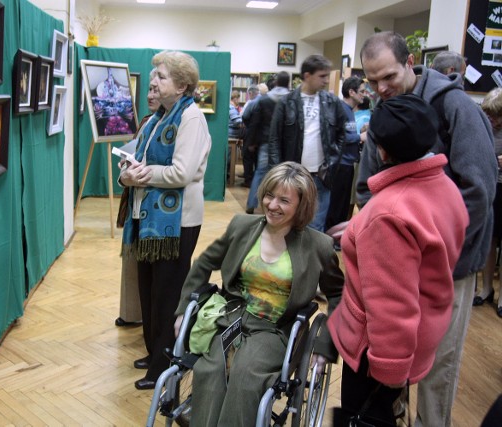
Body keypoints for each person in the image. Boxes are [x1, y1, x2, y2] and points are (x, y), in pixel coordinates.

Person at [356, 31, 496, 426]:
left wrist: (434, 251)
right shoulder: (384, 108)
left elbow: (479, 192)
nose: (381, 88)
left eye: (388, 77)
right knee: (394, 356)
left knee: (438, 366)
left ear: (410, 62)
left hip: (452, 265)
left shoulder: (457, 109)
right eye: (372, 80)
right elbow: (367, 189)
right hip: (397, 268)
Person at [329, 94, 468, 425]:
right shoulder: (443, 186)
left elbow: (392, 303)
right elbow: (424, 240)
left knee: (363, 418)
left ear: (381, 150)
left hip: (377, 351)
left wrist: (389, 369)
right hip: (423, 330)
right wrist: (364, 227)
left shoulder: (387, 213)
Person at [174, 161, 344, 426]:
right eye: (269, 195)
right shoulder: (243, 226)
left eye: (284, 200)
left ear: (302, 205)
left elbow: (339, 294)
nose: (272, 205)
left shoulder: (318, 245)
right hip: (232, 319)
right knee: (211, 370)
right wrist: (184, 309)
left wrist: (326, 347)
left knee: (245, 375)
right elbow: (204, 263)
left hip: (275, 329)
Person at [119, 50, 212, 390]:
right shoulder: (159, 116)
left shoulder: (191, 119)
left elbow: (182, 172)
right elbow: (137, 157)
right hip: (149, 216)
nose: (154, 81)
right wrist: (126, 174)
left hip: (178, 222)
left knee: (168, 295)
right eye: (155, 74)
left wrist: (141, 176)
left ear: (183, 84)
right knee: (149, 290)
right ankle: (153, 351)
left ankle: (164, 364)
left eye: (161, 75)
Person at [268, 54, 347, 232]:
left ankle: (309, 260)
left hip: (322, 175)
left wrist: (332, 162)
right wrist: (278, 173)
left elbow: (342, 134)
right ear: (307, 76)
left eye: (327, 76)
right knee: (289, 223)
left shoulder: (332, 102)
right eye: (322, 76)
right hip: (293, 175)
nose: (327, 80)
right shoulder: (286, 102)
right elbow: (274, 139)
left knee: (316, 227)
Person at [115, 72, 162, 327]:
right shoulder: (147, 120)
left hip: (156, 206)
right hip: (136, 198)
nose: (150, 95)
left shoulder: (177, 123)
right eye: (150, 89)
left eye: (157, 89)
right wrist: (127, 165)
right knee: (132, 260)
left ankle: (148, 319)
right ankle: (132, 313)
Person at [244, 71, 291, 214]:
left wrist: (251, 142)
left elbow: (255, 122)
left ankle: (251, 203)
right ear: (288, 83)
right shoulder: (291, 100)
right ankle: (280, 206)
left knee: (260, 173)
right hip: (285, 144)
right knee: (284, 175)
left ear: (276, 83)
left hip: (266, 141)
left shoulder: (264, 100)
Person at [325, 76, 366, 232]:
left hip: (346, 163)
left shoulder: (348, 111)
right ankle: (332, 234)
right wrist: (360, 137)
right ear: (351, 92)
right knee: (338, 203)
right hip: (342, 163)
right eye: (361, 91)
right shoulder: (342, 110)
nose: (364, 94)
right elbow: (338, 136)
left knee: (342, 202)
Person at [475, 87, 502, 318]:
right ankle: (486, 289)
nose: (492, 120)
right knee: (490, 240)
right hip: (491, 188)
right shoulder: (483, 127)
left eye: (496, 116)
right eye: (489, 115)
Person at [240, 85, 261, 187]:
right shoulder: (265, 100)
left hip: (251, 134)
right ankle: (257, 181)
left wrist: (247, 125)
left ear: (251, 93)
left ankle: (248, 180)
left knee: (247, 157)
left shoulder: (252, 103)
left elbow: (244, 116)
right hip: (262, 136)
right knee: (257, 159)